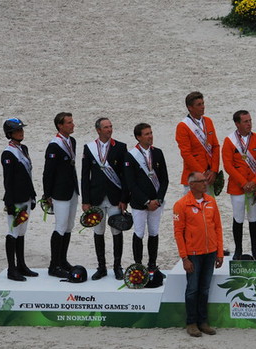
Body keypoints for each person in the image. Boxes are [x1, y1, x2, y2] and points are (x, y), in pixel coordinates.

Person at [173, 172, 224, 337]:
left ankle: (203, 322)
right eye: (201, 181)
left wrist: (220, 252)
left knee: (204, 289)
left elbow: (218, 227)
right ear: (192, 184)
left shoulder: (211, 201)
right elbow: (178, 233)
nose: (205, 183)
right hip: (193, 254)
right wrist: (184, 258)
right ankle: (191, 323)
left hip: (210, 253)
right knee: (192, 289)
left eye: (205, 180)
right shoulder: (181, 204)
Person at [81, 117, 129, 280]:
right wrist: (85, 200)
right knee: (98, 231)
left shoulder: (121, 147)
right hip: (96, 198)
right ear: (98, 130)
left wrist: (124, 198)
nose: (109, 130)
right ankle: (101, 267)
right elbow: (84, 176)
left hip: (115, 198)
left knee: (117, 231)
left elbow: (125, 176)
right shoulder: (89, 148)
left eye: (111, 126)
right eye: (106, 127)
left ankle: (117, 266)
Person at [124, 123, 169, 270]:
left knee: (154, 232)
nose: (150, 136)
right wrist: (146, 201)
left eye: (151, 133)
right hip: (139, 202)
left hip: (156, 202)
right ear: (138, 137)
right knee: (139, 233)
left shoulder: (158, 153)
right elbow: (131, 184)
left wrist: (159, 199)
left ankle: (152, 265)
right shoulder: (131, 156)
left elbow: (164, 179)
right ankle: (138, 265)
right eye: (146, 134)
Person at [222, 110, 256, 260]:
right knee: (238, 218)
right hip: (237, 187)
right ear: (237, 124)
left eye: (250, 121)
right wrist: (243, 182)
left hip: (254, 186)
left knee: (253, 218)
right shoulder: (229, 141)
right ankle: (238, 249)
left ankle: (255, 249)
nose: (249, 124)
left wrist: (255, 181)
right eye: (245, 121)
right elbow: (228, 165)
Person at [42, 112, 79, 278]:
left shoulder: (72, 141)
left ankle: (62, 260)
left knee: (69, 226)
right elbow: (48, 172)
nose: (72, 125)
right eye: (69, 123)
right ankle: (53, 264)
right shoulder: (54, 146)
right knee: (60, 226)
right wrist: (47, 194)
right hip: (59, 192)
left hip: (72, 190)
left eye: (72, 122)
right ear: (60, 125)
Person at [1, 118, 38, 282]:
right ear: (9, 134)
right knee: (13, 232)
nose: (20, 132)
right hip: (15, 199)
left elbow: (28, 174)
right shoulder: (8, 153)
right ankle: (12, 268)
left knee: (22, 231)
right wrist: (8, 202)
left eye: (21, 130)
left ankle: (21, 264)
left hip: (26, 197)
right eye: (17, 130)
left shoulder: (23, 148)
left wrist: (33, 195)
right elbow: (8, 180)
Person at [175, 91, 220, 194]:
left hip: (209, 176)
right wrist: (202, 173)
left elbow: (215, 147)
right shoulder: (183, 126)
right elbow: (186, 153)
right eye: (199, 105)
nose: (203, 107)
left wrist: (214, 170)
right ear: (190, 107)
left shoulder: (208, 121)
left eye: (203, 103)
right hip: (194, 176)